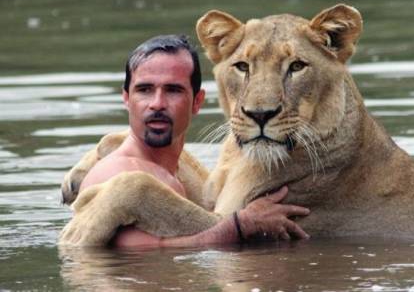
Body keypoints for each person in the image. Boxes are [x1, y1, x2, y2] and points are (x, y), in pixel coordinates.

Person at [78, 35, 310, 248]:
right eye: (145, 90)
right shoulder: (115, 173)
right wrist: (242, 226)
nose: (157, 103)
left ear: (197, 102)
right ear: (127, 99)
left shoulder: (181, 173)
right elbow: (141, 256)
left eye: (173, 90)